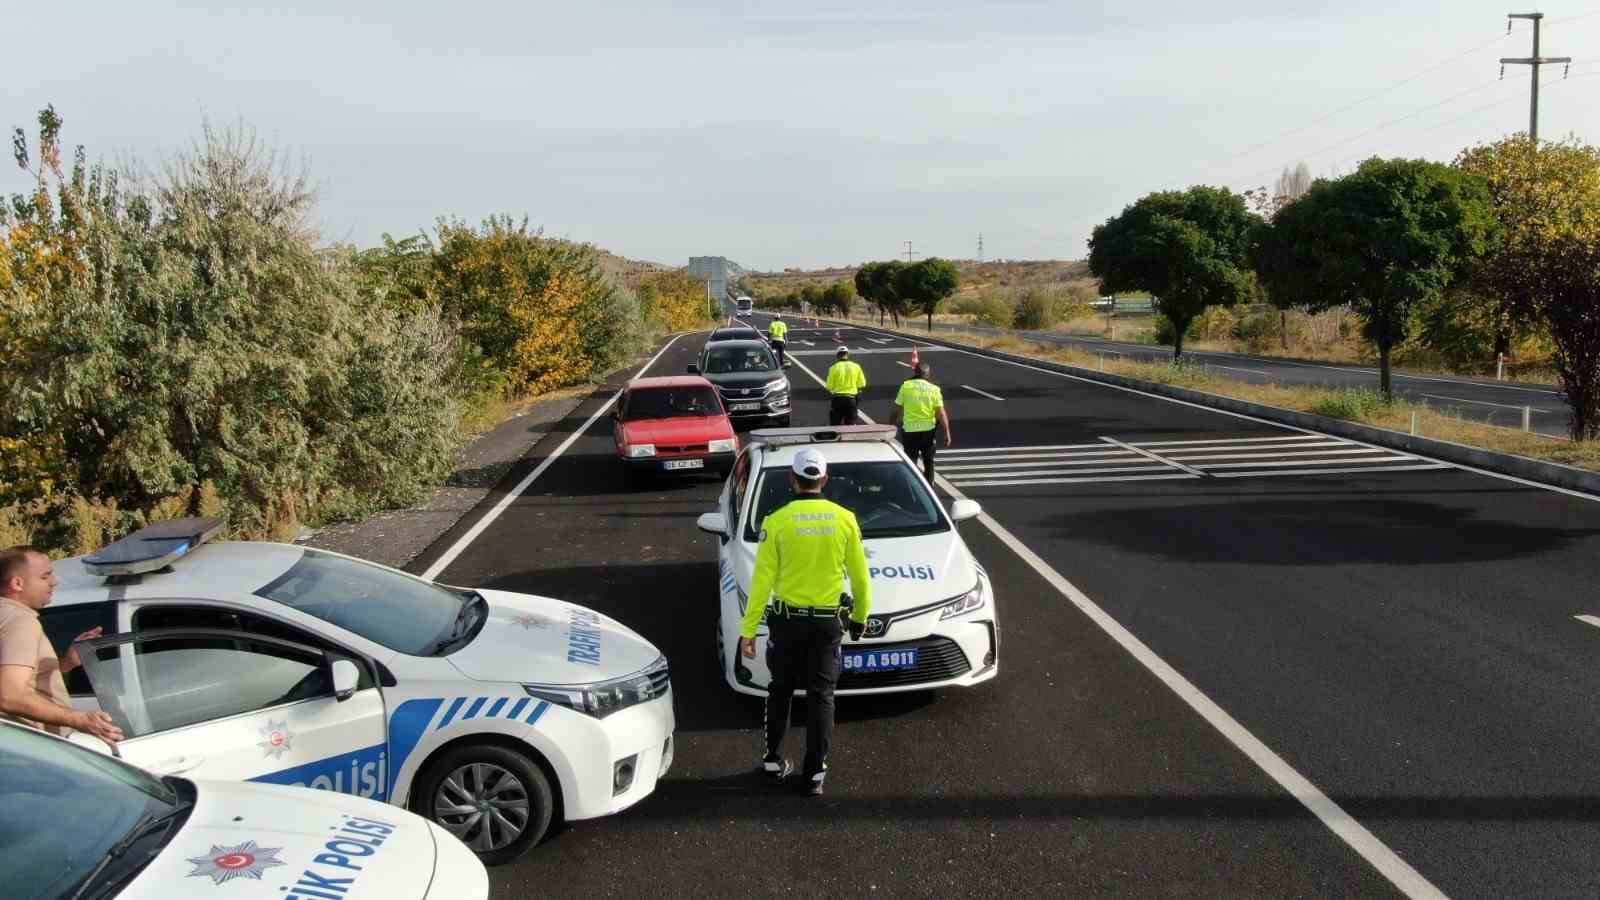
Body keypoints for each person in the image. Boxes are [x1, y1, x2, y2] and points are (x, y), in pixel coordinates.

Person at [738, 448, 871, 796]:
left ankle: (773, 762)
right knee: (821, 696)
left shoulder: (776, 521)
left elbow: (762, 583)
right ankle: (814, 774)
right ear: (824, 479)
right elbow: (861, 579)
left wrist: (748, 631)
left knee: (780, 689)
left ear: (792, 479)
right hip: (827, 625)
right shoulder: (845, 519)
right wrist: (860, 618)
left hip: (786, 623)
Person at [0, 546, 122, 743]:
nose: (54, 582)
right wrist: (79, 719)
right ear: (17, 583)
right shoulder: (20, 621)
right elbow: (9, 695)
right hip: (28, 745)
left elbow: (20, 675)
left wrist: (66, 662)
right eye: (45, 576)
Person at [890, 362, 952, 481]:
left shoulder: (906, 386)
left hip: (910, 431)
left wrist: (891, 426)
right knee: (929, 462)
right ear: (928, 374)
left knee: (911, 462)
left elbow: (896, 409)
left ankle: (912, 485)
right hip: (928, 432)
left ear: (915, 372)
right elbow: (941, 413)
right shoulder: (934, 389)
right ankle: (929, 486)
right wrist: (946, 432)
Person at [824, 346, 867, 426]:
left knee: (835, 425)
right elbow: (862, 384)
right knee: (851, 426)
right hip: (851, 399)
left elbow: (829, 386)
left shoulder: (833, 368)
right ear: (847, 354)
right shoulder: (856, 366)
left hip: (837, 399)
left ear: (837, 356)